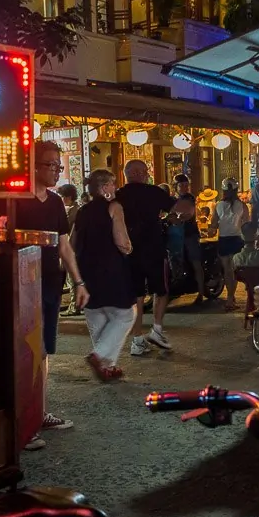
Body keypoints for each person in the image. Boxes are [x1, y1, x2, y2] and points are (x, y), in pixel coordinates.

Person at [0, 141, 88, 450]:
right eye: (50, 165)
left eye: (58, 166)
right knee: (21, 353)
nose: (56, 171)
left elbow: (63, 245)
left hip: (48, 284)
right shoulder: (12, 201)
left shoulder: (57, 203)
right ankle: (21, 423)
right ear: (32, 166)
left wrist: (78, 282)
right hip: (19, 286)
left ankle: (38, 413)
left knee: (43, 351)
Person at [116, 159, 190, 355]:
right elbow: (182, 209)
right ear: (141, 173)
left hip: (129, 251)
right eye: (146, 171)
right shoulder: (154, 192)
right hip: (154, 248)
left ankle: (137, 340)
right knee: (161, 289)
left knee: (136, 295)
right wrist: (175, 218)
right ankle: (156, 329)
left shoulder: (118, 196)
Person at [71, 169, 135, 380]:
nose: (115, 188)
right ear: (105, 187)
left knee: (97, 315)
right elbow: (121, 241)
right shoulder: (114, 207)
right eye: (112, 184)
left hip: (86, 269)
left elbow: (72, 242)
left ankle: (107, 366)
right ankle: (99, 355)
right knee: (126, 315)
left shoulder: (82, 210)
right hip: (110, 268)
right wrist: (129, 248)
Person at [209, 178, 248, 311]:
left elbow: (213, 224)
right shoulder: (242, 205)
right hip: (237, 239)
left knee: (227, 271)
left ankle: (230, 298)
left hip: (223, 239)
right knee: (234, 270)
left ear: (224, 190)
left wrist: (211, 229)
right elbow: (246, 224)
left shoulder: (218, 205)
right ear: (237, 190)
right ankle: (230, 298)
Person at [172, 173, 206, 302]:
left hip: (189, 234)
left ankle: (201, 293)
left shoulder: (190, 198)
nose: (184, 188)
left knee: (195, 262)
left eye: (186, 185)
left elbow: (187, 212)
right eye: (181, 185)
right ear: (176, 186)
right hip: (176, 234)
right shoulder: (172, 199)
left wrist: (180, 217)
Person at [58, 184, 82, 315]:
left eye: (62, 196)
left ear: (68, 197)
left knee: (72, 278)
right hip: (74, 247)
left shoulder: (72, 211)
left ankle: (75, 306)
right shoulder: (76, 209)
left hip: (71, 247)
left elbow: (64, 228)